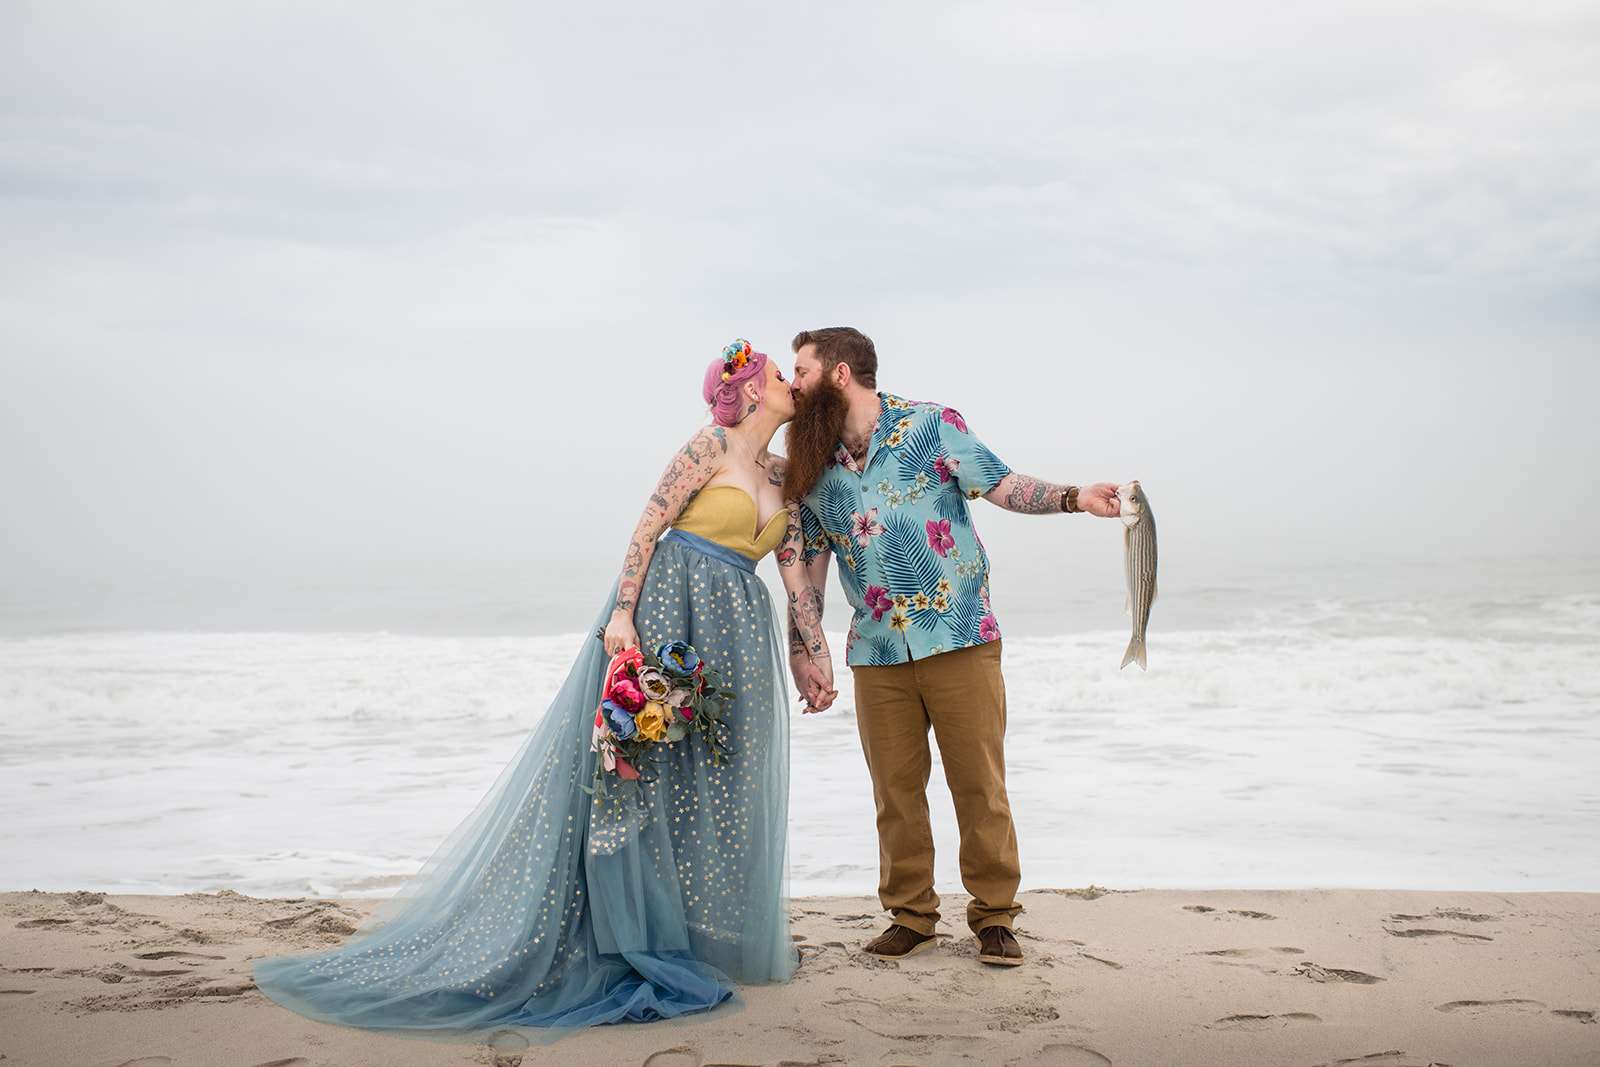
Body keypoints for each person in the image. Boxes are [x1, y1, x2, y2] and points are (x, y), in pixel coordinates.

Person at [254, 340, 810, 1034]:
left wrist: (811, 656)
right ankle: (627, 932)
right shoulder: (707, 448)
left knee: (720, 778)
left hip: (737, 636)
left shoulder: (786, 476)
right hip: (669, 615)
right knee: (642, 768)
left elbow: (793, 577)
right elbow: (647, 529)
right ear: (752, 388)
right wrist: (622, 613)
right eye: (784, 375)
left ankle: (700, 933)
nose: (793, 385)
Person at [779, 326, 1123, 968]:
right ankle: (911, 916)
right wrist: (808, 649)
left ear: (840, 373)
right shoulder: (810, 461)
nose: (790, 384)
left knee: (979, 783)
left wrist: (1077, 499)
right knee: (895, 791)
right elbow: (807, 564)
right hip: (877, 651)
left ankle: (995, 917)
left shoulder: (932, 425)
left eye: (799, 371)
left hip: (960, 634)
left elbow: (1002, 485)